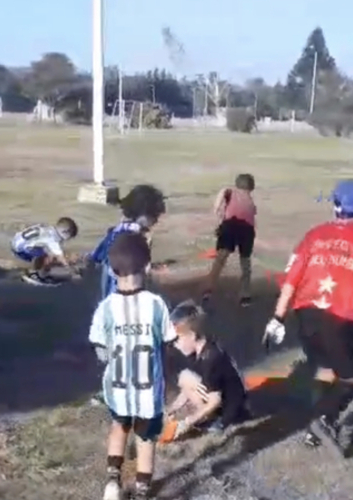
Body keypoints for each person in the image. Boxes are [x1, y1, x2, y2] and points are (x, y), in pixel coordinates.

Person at [261, 178, 353, 454]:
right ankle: (323, 421)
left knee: (325, 366)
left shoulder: (313, 235)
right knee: (349, 378)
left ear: (335, 207)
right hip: (339, 317)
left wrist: (277, 318)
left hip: (305, 314)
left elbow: (291, 279)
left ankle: (316, 426)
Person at [88, 231, 176, 500]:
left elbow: (99, 349)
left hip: (118, 388)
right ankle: (141, 491)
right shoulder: (156, 305)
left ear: (112, 271)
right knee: (145, 439)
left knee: (119, 427)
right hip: (148, 392)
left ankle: (112, 482)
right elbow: (169, 341)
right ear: (147, 267)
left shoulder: (105, 307)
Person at [83, 184, 166, 406]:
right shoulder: (135, 237)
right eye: (155, 216)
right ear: (144, 214)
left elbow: (95, 258)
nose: (156, 221)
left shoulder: (116, 231)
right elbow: (135, 271)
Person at [165, 299, 250, 438]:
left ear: (192, 335)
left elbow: (215, 400)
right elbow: (188, 390)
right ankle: (207, 417)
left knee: (187, 379)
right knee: (186, 379)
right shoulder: (199, 352)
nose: (176, 346)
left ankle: (217, 421)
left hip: (232, 407)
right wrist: (172, 409)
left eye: (178, 340)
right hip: (220, 396)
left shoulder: (211, 357)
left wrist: (188, 422)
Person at [202, 173, 257, 308]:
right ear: (251, 188)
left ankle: (209, 288)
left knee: (220, 259)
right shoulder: (248, 200)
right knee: (245, 262)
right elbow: (252, 216)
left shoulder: (231, 192)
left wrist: (217, 208)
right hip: (246, 230)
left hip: (230, 226)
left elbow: (223, 192)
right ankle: (245, 293)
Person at [11, 217, 79, 286]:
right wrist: (72, 271)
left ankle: (39, 271)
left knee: (46, 251)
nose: (68, 240)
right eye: (69, 237)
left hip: (17, 241)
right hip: (20, 249)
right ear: (65, 232)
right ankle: (35, 275)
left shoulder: (49, 229)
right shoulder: (52, 239)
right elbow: (61, 258)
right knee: (48, 257)